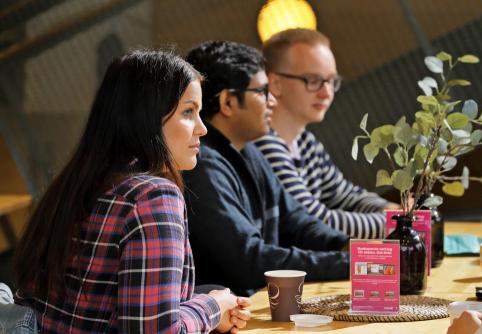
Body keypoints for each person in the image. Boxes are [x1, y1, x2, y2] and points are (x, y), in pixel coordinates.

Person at [13, 50, 250, 333]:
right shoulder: (153, 196)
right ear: (146, 117)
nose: (202, 129)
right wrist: (213, 307)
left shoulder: (75, 182)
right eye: (188, 112)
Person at [184, 41, 350, 297]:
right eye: (262, 91)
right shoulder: (203, 165)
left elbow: (297, 222)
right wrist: (349, 264)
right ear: (228, 102)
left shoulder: (248, 150)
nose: (273, 101)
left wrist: (345, 246)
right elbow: (249, 260)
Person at [254, 28, 399, 239]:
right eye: (313, 80)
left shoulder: (305, 142)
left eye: (331, 80)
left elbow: (345, 196)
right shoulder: (264, 143)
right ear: (275, 84)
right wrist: (398, 221)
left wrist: (390, 208)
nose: (327, 92)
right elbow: (314, 221)